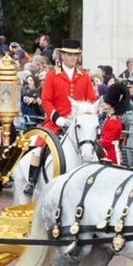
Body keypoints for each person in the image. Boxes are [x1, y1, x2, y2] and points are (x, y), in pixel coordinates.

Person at [24, 39, 96, 196]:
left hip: (79, 123)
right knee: (38, 148)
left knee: (95, 147)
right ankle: (32, 181)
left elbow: (90, 100)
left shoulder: (84, 77)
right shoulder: (51, 76)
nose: (72, 58)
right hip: (55, 122)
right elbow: (46, 100)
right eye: (69, 55)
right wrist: (57, 118)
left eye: (75, 55)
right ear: (62, 55)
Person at [99, 83, 130, 164]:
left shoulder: (114, 121)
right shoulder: (109, 118)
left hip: (110, 154)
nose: (103, 105)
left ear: (112, 105)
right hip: (105, 151)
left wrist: (94, 142)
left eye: (106, 103)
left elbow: (107, 142)